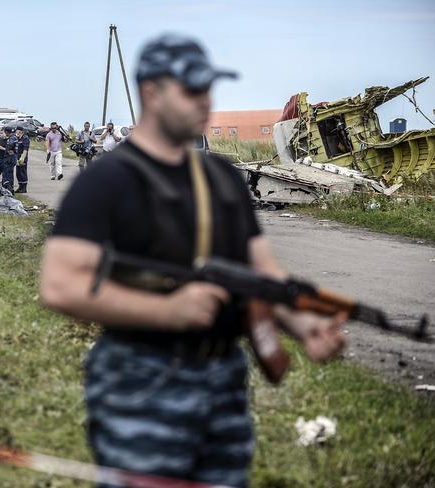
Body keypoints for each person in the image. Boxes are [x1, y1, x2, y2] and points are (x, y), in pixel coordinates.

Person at [39, 34, 347, 488]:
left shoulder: (221, 177)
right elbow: (60, 286)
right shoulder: (107, 181)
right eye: (191, 90)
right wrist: (166, 310)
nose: (205, 101)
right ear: (151, 93)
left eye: (208, 88)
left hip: (222, 377)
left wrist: (300, 323)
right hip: (141, 380)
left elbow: (261, 272)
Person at [15, 126, 31, 193]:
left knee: (23, 172)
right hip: (17, 157)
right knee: (18, 173)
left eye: (17, 131)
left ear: (20, 131)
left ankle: (24, 187)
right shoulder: (18, 138)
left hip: (23, 158)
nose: (16, 133)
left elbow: (25, 148)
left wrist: (22, 157)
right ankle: (20, 186)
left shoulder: (25, 138)